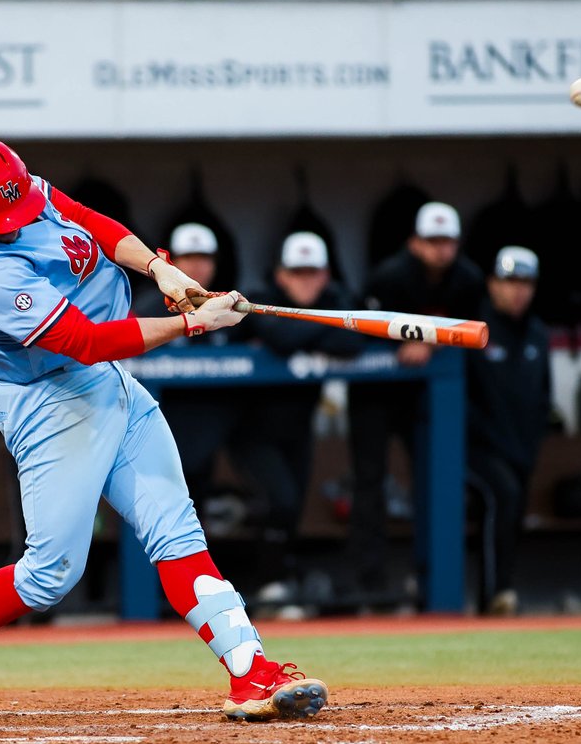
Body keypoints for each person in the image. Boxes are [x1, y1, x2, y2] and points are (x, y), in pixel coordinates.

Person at [0, 137, 326, 726]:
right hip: (51, 400)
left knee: (176, 531)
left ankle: (251, 672)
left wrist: (161, 268)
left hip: (108, 383)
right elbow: (84, 341)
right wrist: (191, 322)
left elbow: (83, 219)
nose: (19, 218)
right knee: (50, 575)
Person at [347, 202, 483, 600]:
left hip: (428, 395)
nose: (441, 249)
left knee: (435, 479)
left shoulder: (468, 279)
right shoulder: (388, 276)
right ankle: (368, 585)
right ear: (415, 243)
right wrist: (405, 340)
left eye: (448, 241)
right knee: (369, 482)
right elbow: (359, 332)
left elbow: (472, 332)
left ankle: (432, 582)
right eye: (432, 241)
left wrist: (430, 344)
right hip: (375, 392)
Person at [237, 232, 364, 606]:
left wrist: (304, 330)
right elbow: (278, 337)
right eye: (296, 272)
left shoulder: (335, 298)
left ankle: (281, 580)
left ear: (325, 275)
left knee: (293, 506)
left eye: (312, 272)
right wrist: (325, 326)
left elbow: (353, 342)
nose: (305, 280)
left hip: (298, 428)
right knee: (280, 498)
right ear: (280, 275)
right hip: (249, 428)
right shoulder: (258, 297)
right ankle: (267, 583)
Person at [131, 222, 247, 527]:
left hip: (208, 417)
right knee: (158, 512)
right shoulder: (149, 303)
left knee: (195, 510)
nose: (197, 265)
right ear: (173, 263)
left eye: (204, 257)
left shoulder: (229, 304)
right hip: (157, 417)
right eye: (188, 257)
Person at [466, 246, 551, 616]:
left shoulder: (537, 334)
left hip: (521, 448)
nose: (518, 290)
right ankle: (495, 594)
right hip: (478, 449)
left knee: (514, 506)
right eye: (509, 281)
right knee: (503, 493)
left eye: (526, 282)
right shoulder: (475, 330)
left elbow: (542, 397)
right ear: (492, 284)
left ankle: (504, 588)